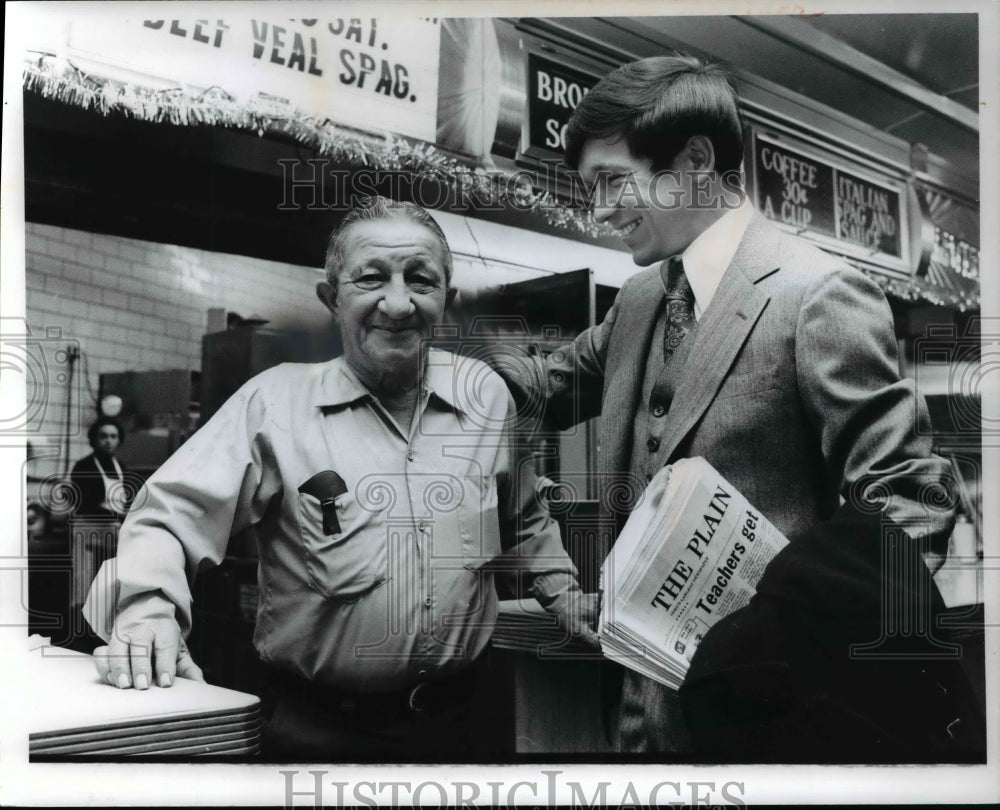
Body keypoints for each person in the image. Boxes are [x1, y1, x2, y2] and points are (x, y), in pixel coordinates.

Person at [494, 55, 975, 762]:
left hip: (769, 724)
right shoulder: (638, 302)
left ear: (693, 159)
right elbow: (542, 386)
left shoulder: (817, 292)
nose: (598, 211)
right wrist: (431, 373)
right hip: (634, 718)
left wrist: (787, 640)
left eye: (611, 182)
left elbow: (913, 499)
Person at [84, 196, 596, 761]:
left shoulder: (486, 396)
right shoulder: (275, 403)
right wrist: (146, 611)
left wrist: (563, 594)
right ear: (332, 298)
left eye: (420, 281)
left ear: (446, 302)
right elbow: (167, 517)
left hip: (467, 723)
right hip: (318, 732)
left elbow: (520, 516)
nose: (397, 303)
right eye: (371, 278)